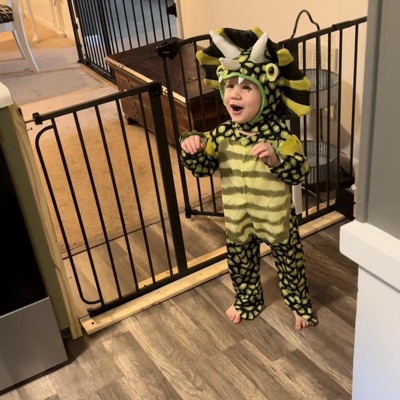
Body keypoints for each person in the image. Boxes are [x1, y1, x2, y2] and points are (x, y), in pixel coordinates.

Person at [179, 27, 318, 331]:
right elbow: (202, 168)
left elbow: (300, 170)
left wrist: (277, 160)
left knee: (291, 265)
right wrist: (193, 147)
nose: (235, 93)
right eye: (229, 85)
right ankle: (247, 300)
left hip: (276, 219)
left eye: (246, 87)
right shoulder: (221, 134)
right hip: (238, 218)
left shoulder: (280, 136)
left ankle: (298, 304)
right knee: (241, 265)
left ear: (267, 93)